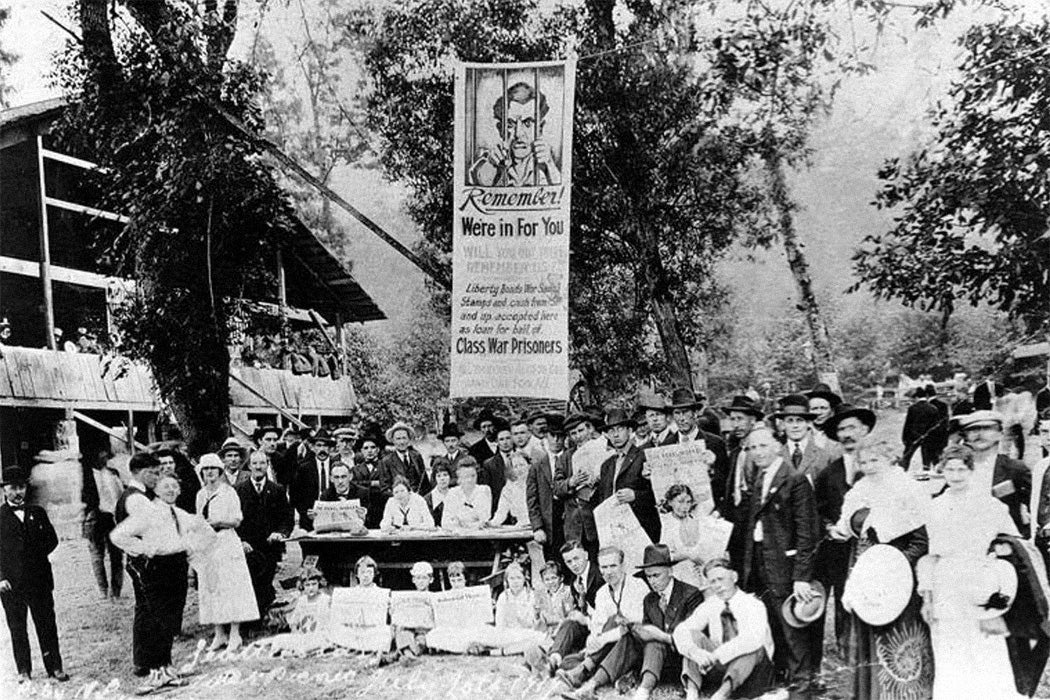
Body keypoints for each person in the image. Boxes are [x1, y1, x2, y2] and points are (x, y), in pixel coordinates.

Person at [830, 441, 932, 699]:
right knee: (868, 633)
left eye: (875, 460)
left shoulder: (909, 489)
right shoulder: (859, 491)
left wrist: (893, 566)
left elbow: (921, 541)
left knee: (897, 637)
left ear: (891, 458)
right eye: (863, 462)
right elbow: (849, 533)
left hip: (900, 574)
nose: (868, 467)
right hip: (866, 572)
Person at [918, 444, 1020, 699]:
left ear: (971, 471)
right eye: (950, 470)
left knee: (985, 643)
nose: (955, 475)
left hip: (980, 579)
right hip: (946, 581)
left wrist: (996, 559)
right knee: (950, 645)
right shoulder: (935, 506)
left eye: (961, 469)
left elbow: (1013, 541)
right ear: (942, 471)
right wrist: (927, 597)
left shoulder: (990, 505)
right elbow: (930, 555)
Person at [733, 426, 821, 686]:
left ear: (777, 445)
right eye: (751, 447)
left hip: (785, 566)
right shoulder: (761, 477)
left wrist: (801, 577)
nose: (757, 452)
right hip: (761, 564)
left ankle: (802, 686)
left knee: (793, 629)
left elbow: (808, 532)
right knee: (772, 625)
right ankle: (782, 679)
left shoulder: (794, 479)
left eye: (762, 446)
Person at [110, 475, 194, 689]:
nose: (171, 490)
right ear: (156, 490)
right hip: (157, 568)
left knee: (172, 618)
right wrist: (144, 550)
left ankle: (167, 666)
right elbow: (118, 535)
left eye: (175, 487)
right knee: (158, 618)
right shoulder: (149, 512)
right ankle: (156, 670)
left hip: (177, 566)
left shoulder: (179, 513)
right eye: (166, 487)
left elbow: (195, 533)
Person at [812, 403, 874, 655]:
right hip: (839, 550)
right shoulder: (830, 473)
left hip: (876, 548)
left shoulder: (883, 466)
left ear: (865, 429)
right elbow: (819, 509)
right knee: (843, 595)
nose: (847, 434)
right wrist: (828, 528)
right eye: (841, 429)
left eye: (852, 427)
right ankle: (847, 646)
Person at [0, 466, 69, 684]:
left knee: (47, 624)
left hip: (39, 579)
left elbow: (52, 540)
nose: (17, 492)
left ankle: (55, 667)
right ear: (4, 490)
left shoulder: (37, 512)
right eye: (12, 488)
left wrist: (34, 556)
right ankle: (23, 670)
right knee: (17, 627)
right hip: (11, 584)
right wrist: (1, 576)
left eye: (21, 487)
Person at [673, 559, 776, 700]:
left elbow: (753, 640)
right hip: (722, 669)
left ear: (734, 577)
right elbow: (681, 630)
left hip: (754, 673)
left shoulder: (753, 604)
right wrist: (694, 652)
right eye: (712, 582)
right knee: (692, 635)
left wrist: (716, 655)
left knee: (753, 648)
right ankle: (692, 693)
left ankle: (720, 696)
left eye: (721, 579)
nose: (717, 586)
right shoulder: (711, 604)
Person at [555, 547, 649, 696]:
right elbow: (597, 626)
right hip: (612, 648)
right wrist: (594, 641)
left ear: (623, 566)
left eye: (613, 566)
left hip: (636, 644)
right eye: (604, 567)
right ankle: (597, 670)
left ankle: (589, 680)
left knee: (617, 621)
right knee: (571, 659)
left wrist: (603, 639)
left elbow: (635, 623)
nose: (609, 572)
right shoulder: (602, 593)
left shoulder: (637, 586)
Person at [194, 453, 259, 651]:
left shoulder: (229, 492)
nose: (210, 473)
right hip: (209, 544)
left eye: (213, 469)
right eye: (206, 469)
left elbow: (237, 520)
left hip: (227, 540)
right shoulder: (200, 494)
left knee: (231, 587)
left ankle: (234, 634)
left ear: (220, 471)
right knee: (211, 586)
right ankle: (219, 633)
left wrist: (217, 522)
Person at [468, 80, 562, 187]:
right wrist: (491, 165)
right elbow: (473, 182)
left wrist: (550, 165)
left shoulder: (547, 163)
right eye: (510, 124)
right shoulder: (494, 159)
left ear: (540, 128)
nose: (518, 134)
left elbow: (563, 192)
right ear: (500, 130)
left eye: (527, 123)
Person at [236, 449, 293, 618]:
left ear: (267, 465)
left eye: (262, 463)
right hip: (248, 546)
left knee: (266, 581)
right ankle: (250, 618)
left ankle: (264, 616)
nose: (258, 467)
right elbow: (235, 520)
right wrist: (241, 541)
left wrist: (280, 533)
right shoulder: (239, 490)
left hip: (270, 546)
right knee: (249, 582)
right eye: (255, 463)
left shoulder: (277, 489)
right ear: (249, 466)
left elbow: (287, 517)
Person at [957, 410, 1032, 537]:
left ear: (1000, 434)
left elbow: (1035, 504)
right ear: (966, 437)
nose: (980, 434)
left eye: (987, 429)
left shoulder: (1014, 468)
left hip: (1005, 541)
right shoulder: (958, 469)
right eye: (973, 430)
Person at [537, 540, 603, 676]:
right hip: (586, 626)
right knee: (569, 623)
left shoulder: (599, 575)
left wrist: (585, 619)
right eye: (569, 562)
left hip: (602, 626)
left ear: (585, 555)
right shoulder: (575, 579)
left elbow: (605, 611)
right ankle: (553, 659)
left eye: (576, 558)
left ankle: (568, 664)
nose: (574, 564)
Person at [596, 408, 660, 543]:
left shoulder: (644, 456)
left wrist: (636, 496)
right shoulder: (606, 466)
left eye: (620, 429)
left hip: (641, 529)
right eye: (611, 431)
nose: (615, 435)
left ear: (630, 431)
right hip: (615, 530)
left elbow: (659, 494)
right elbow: (603, 498)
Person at [665, 388, 731, 518]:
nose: (681, 418)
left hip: (709, 515)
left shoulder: (715, 444)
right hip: (677, 517)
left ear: (695, 413)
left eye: (685, 412)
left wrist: (719, 511)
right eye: (677, 413)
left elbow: (725, 484)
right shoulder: (666, 446)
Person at [554, 412, 609, 558]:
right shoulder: (565, 458)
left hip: (596, 517)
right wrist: (571, 482)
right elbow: (556, 487)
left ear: (590, 429)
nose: (578, 436)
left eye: (581, 430)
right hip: (574, 522)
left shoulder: (603, 449)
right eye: (573, 433)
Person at [87, 451, 125, 599]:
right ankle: (103, 589)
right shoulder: (87, 476)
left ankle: (116, 590)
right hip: (95, 516)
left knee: (116, 554)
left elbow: (120, 493)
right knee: (97, 554)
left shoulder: (113, 474)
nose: (103, 459)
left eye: (105, 457)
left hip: (111, 516)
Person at [660, 484, 711, 591]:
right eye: (680, 502)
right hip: (681, 576)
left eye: (688, 502)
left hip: (703, 573)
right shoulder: (666, 523)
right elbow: (664, 556)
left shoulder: (695, 519)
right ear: (670, 502)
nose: (684, 507)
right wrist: (688, 555)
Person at [774, 394, 832, 481]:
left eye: (799, 420)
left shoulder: (824, 456)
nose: (795, 426)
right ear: (783, 425)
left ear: (808, 423)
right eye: (790, 421)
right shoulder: (776, 456)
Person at [290, 429, 338, 531]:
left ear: (330, 448)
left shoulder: (337, 467)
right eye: (319, 445)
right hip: (310, 519)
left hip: (334, 517)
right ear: (313, 447)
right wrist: (305, 512)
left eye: (325, 446)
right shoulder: (303, 468)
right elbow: (294, 494)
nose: (322, 449)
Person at [903, 385, 950, 470]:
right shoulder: (933, 408)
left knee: (907, 456)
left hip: (914, 436)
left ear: (917, 397)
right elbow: (936, 425)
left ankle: (902, 471)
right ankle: (929, 469)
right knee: (928, 456)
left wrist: (905, 438)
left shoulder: (912, 408)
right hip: (929, 436)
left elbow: (908, 425)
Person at [380, 422, 428, 495]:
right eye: (398, 439)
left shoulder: (417, 456)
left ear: (409, 439)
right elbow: (385, 488)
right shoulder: (386, 461)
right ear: (393, 441)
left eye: (404, 438)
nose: (402, 442)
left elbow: (425, 482)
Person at [444, 459, 493, 529]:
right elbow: (446, 522)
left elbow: (484, 519)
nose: (470, 480)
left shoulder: (484, 490)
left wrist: (461, 521)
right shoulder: (452, 493)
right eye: (466, 476)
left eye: (473, 476)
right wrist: (473, 520)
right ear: (459, 477)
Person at [351, 434, 387, 529]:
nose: (369, 450)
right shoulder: (356, 469)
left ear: (378, 450)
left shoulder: (385, 466)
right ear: (362, 451)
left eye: (373, 447)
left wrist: (363, 483)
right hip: (362, 508)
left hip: (381, 506)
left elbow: (386, 483)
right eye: (366, 448)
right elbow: (354, 485)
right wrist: (372, 483)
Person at [481, 421, 515, 514]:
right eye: (501, 439)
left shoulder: (522, 459)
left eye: (508, 438)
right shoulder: (489, 464)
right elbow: (487, 491)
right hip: (499, 507)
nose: (505, 442)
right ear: (497, 441)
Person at [490, 451, 530, 526]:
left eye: (522, 465)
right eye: (515, 466)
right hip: (520, 526)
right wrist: (491, 524)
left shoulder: (538, 485)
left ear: (529, 465)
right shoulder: (509, 489)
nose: (519, 469)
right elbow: (501, 513)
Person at [805, 383, 843, 456]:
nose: (819, 413)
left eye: (823, 408)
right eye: (814, 409)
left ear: (831, 411)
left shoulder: (839, 433)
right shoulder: (801, 434)